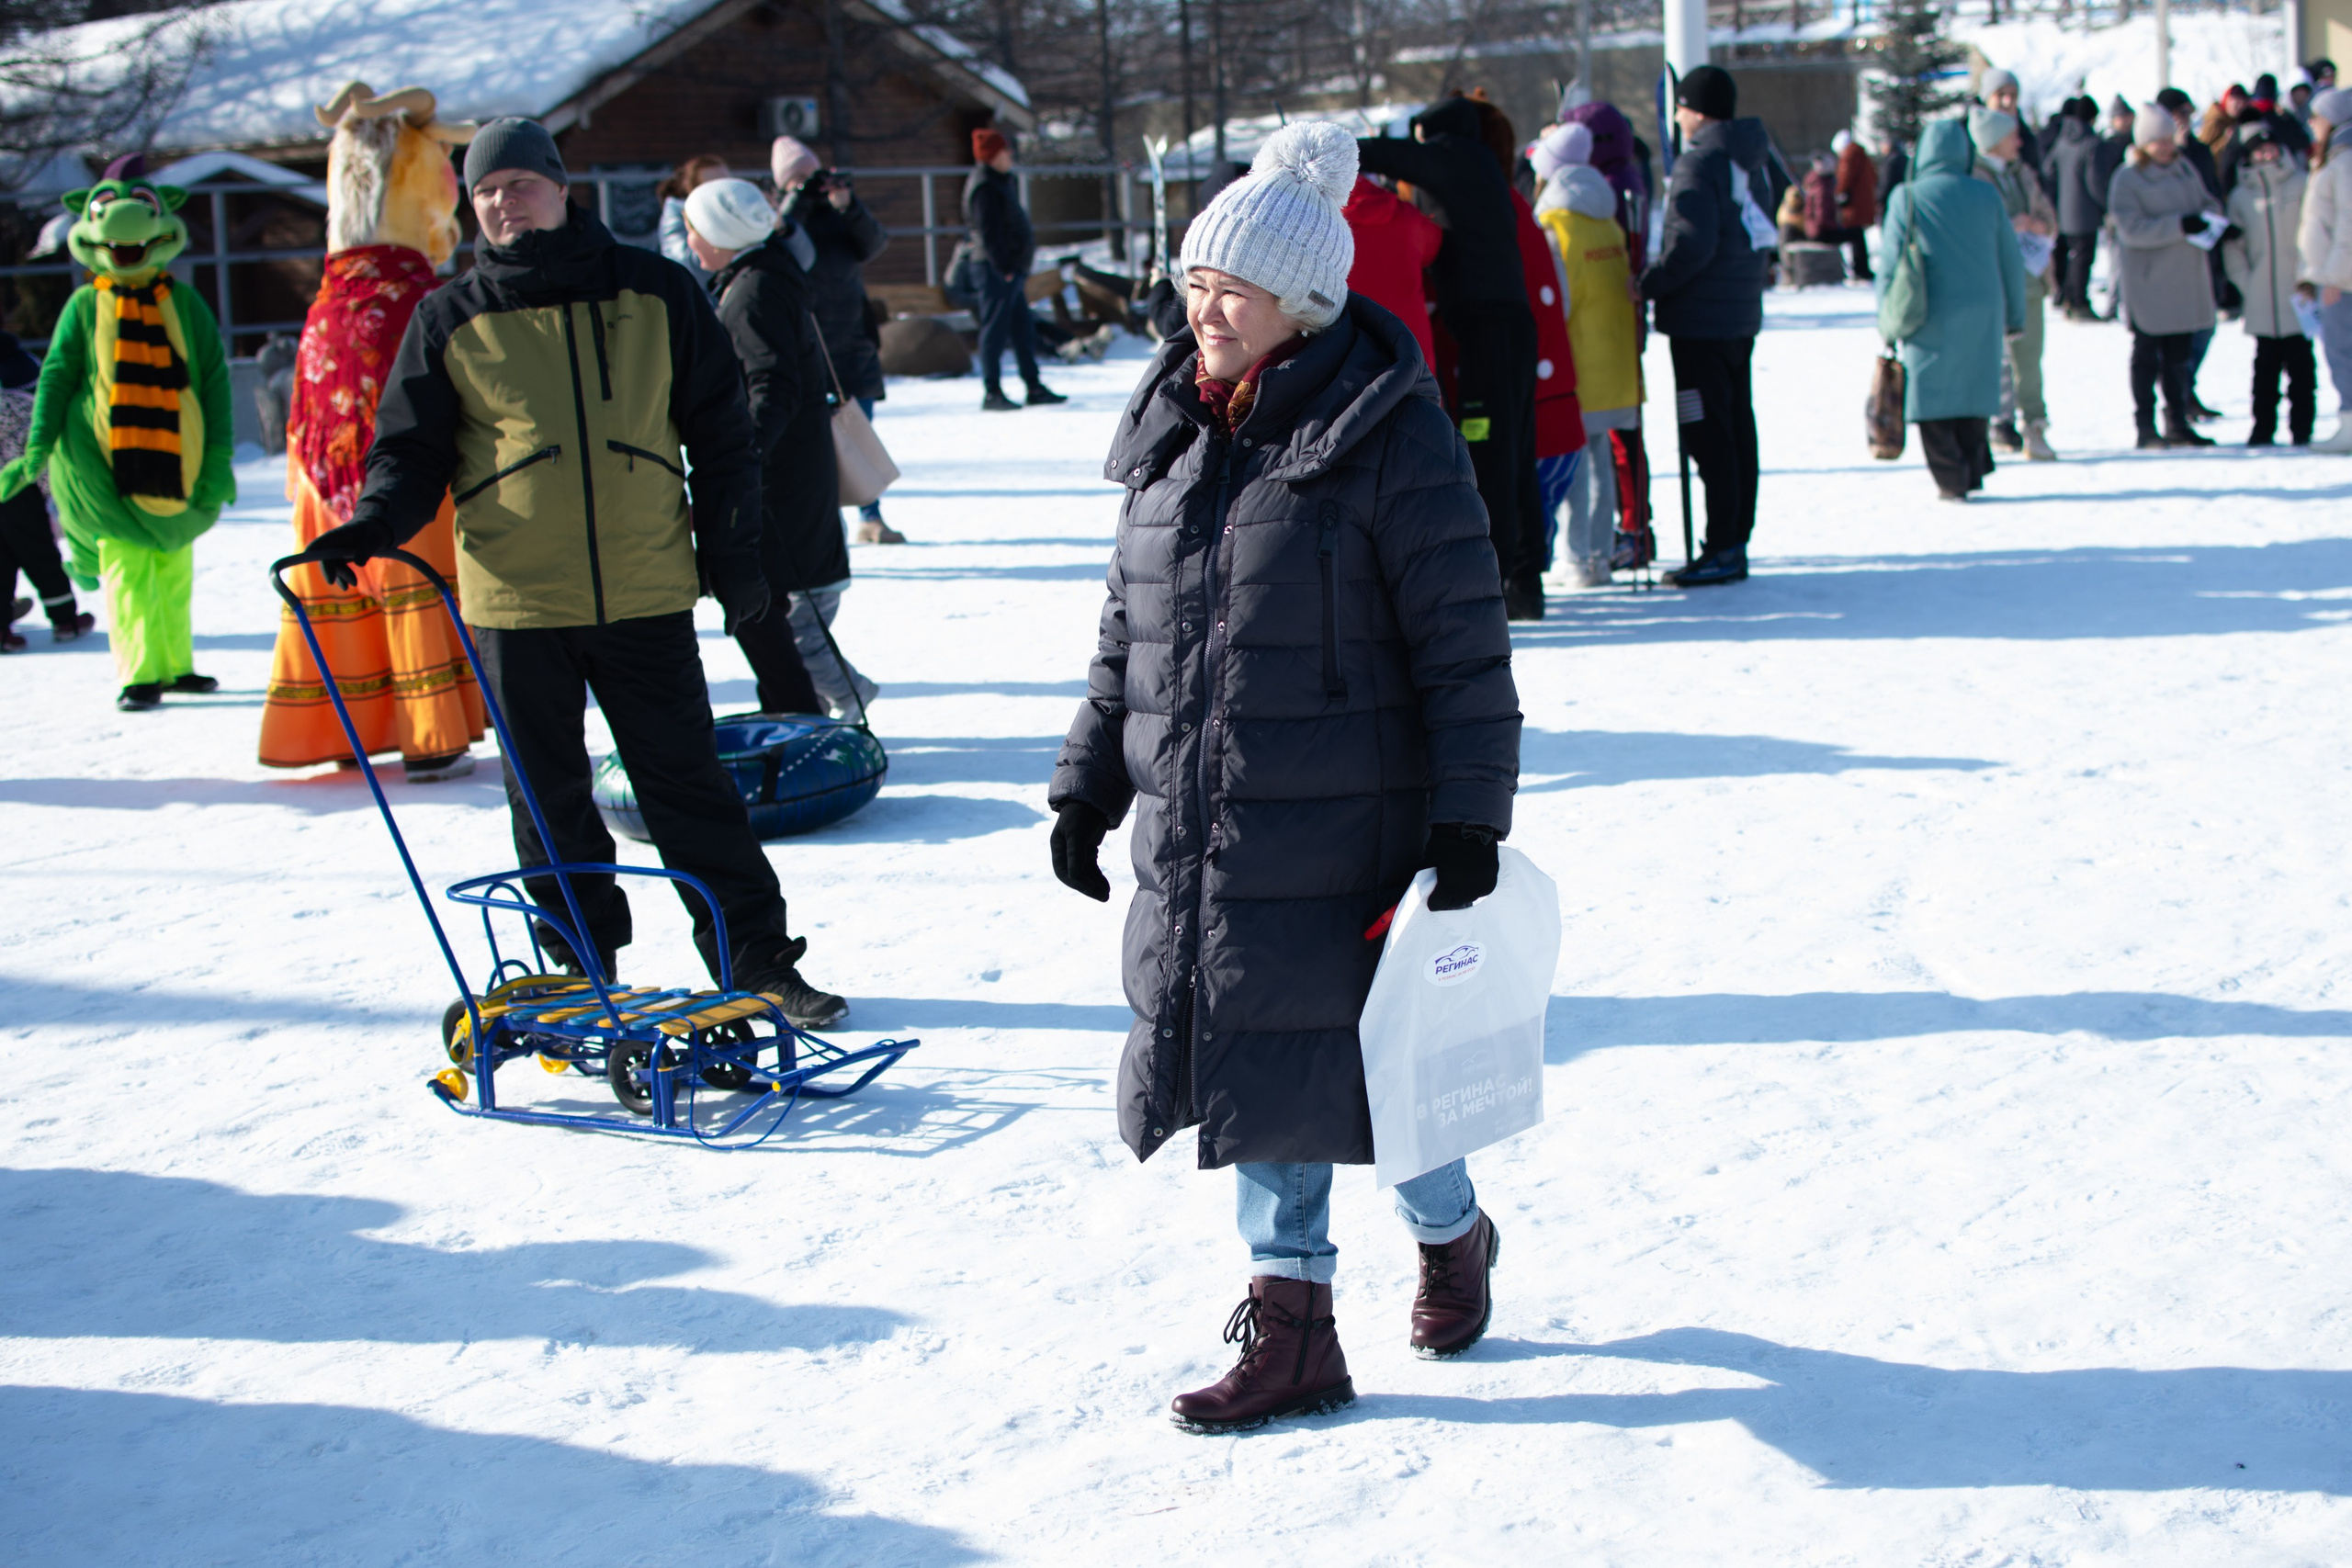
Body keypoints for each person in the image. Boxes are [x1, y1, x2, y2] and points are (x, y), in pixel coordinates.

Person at [1045, 122, 1521, 1433]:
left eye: (1233, 290)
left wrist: (1471, 814)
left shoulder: (1387, 437)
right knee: (1266, 1060)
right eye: (1195, 281)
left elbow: (1463, 641)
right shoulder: (1172, 433)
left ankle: (1447, 1230)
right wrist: (1088, 782)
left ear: (1302, 306)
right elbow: (1126, 633)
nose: (1205, 309)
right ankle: (1300, 1317)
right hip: (1211, 820)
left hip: (1352, 824)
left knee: (1364, 1069)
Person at [303, 118, 848, 1025]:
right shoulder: (449, 316)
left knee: (688, 786)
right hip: (516, 601)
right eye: (485, 193)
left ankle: (755, 957)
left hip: (644, 589)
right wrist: (373, 522)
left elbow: (720, 436)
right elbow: (409, 451)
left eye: (519, 184)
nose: (503, 204)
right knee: (547, 798)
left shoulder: (658, 293)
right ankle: (577, 962)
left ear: (560, 188)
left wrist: (733, 554)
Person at [258, 82, 485, 783]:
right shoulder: (416, 295)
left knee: (346, 573)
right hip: (406, 476)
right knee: (411, 567)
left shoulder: (329, 296)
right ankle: (429, 728)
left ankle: (354, 721)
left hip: (326, 480)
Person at [1358, 98, 1544, 617]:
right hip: (1507, 323)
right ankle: (1527, 575)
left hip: (1487, 327)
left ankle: (1501, 575)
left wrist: (1338, 148)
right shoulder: (1481, 167)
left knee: (1489, 445)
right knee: (1515, 442)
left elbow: (1403, 159)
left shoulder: (1456, 155)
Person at [681, 177, 831, 719]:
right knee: (765, 602)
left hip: (771, 479)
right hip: (784, 471)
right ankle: (791, 707)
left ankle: (795, 712)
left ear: (718, 233)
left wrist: (739, 456)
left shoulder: (752, 291)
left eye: (693, 229)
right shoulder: (765, 274)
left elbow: (772, 385)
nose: (688, 240)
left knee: (755, 596)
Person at [1640, 64, 1769, 587]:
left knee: (1706, 431)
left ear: (1696, 109)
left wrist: (1651, 282)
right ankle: (1734, 538)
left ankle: (1720, 546)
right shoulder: (1749, 157)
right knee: (1737, 426)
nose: (1676, 115)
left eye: (1681, 106)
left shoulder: (1699, 163)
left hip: (1700, 322)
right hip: (1738, 314)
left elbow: (1692, 243)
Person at [1881, 118, 2026, 500]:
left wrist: (1887, 317)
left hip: (1927, 308)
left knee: (1933, 397)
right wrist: (2015, 315)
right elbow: (2011, 259)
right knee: (1974, 390)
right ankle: (1973, 469)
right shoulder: (1986, 195)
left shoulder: (1907, 197)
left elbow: (1890, 263)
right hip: (1984, 307)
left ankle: (1951, 479)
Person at [773, 135, 903, 547]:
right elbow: (775, 246)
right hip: (810, 340)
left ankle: (871, 515)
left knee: (859, 430)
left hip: (852, 336)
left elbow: (874, 243)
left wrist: (848, 204)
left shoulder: (837, 214)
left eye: (814, 175)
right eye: (799, 178)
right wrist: (795, 202)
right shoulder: (782, 216)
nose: (811, 184)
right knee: (815, 439)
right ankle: (826, 519)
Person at [1533, 121, 1646, 581]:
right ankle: (1599, 551)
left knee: (1577, 463)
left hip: (1579, 361)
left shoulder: (1555, 223)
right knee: (1600, 460)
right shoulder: (1607, 216)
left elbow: (1557, 301)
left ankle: (1578, 556)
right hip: (1617, 360)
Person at [2110, 104, 2223, 448]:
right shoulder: (2127, 178)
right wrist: (2178, 226)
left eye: (2167, 139)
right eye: (2156, 141)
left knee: (2178, 356)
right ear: (2143, 142)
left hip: (2185, 279)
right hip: (2149, 282)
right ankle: (2145, 426)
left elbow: (2208, 202)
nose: (2165, 147)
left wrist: (2212, 221)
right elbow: (2130, 228)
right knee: (2147, 355)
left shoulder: (2184, 169)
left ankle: (2177, 421)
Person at [1972, 107, 2061, 461]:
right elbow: (1977, 230)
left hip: (2030, 277)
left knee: (2030, 356)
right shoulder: (1975, 179)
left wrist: (2040, 225)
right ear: (1994, 140)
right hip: (1992, 279)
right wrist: (2011, 225)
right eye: (2012, 136)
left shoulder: (2022, 173)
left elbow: (2049, 215)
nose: (2020, 141)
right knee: (1996, 358)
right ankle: (1998, 423)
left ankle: (2035, 426)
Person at [2222, 125, 2315, 446]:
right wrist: (2246, 283)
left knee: (2302, 368)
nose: (2266, 155)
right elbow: (2233, 246)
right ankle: (2263, 428)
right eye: (2259, 151)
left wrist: (2309, 276)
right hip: (2261, 294)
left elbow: (2313, 231)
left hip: (2297, 291)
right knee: (2265, 370)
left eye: (2271, 149)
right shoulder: (2241, 195)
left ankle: (2303, 429)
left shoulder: (2301, 184)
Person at [0, 331, 92, 651]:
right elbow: (36, 442)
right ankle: (65, 619)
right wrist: (49, 488)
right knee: (40, 554)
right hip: (17, 488)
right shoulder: (24, 376)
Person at [963, 128, 1065, 412]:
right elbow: (988, 232)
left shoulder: (999, 182)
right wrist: (1005, 266)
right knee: (994, 329)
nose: (1010, 155)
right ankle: (992, 390)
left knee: (1022, 326)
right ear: (992, 155)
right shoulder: (984, 186)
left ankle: (1033, 385)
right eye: (1004, 151)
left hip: (1009, 269)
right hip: (995, 269)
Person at [2297, 87, 2352, 450]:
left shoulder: (2346, 160)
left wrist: (2334, 277)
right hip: (2335, 274)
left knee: (2343, 350)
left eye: (2317, 116)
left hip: (2341, 279)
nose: (2311, 123)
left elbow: (2349, 223)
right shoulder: (2337, 156)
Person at [1340, 173, 1442, 369]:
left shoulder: (1323, 225)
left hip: (1354, 348)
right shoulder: (1407, 217)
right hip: (1411, 341)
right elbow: (1434, 244)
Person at [656, 154, 729, 286]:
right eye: (714, 186)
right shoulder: (677, 215)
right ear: (694, 190)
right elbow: (687, 266)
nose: (723, 191)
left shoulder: (729, 213)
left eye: (727, 183)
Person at [1834, 129, 1878, 280]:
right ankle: (1862, 267)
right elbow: (1874, 177)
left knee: (1855, 235)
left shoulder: (1849, 157)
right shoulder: (1863, 156)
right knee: (1859, 235)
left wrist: (1839, 192)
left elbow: (1844, 179)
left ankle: (1860, 268)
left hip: (1854, 205)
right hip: (1864, 201)